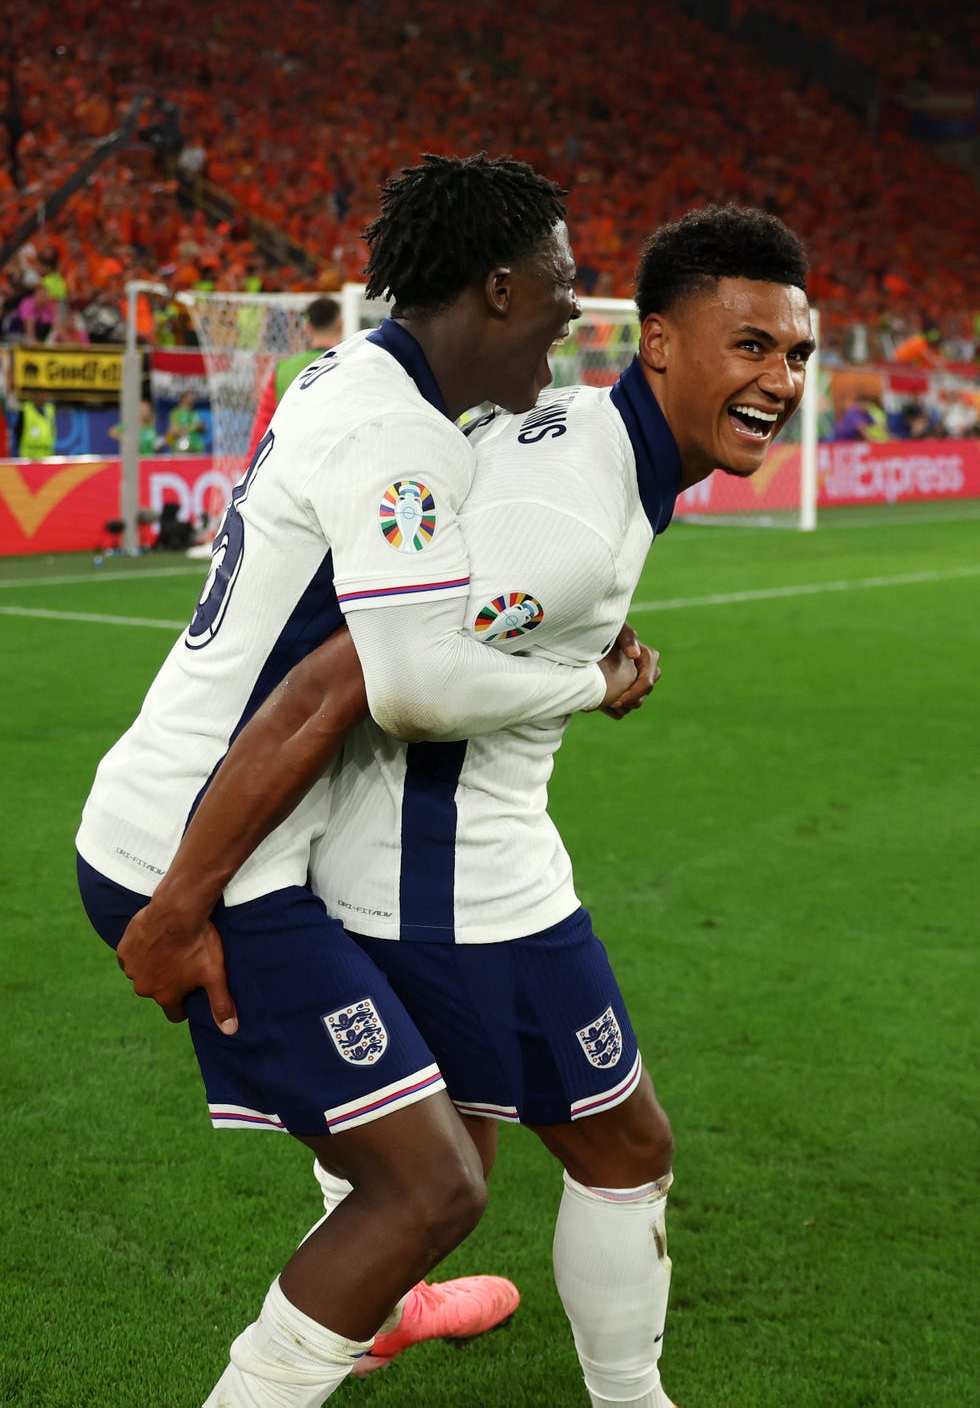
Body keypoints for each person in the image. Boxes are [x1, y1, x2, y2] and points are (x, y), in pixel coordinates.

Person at [106, 203, 815, 1404]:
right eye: (746, 345)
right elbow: (353, 680)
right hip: (450, 874)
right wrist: (586, 678)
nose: (779, 378)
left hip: (428, 853)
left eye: (793, 351)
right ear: (653, 344)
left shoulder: (592, 446)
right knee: (606, 1151)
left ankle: (382, 1306)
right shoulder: (567, 514)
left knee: (443, 1171)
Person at [247, 296, 344, 454]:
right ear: (341, 325)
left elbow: (263, 427)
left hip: (292, 462)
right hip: (337, 461)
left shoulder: (283, 369)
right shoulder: (352, 365)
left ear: (307, 328)